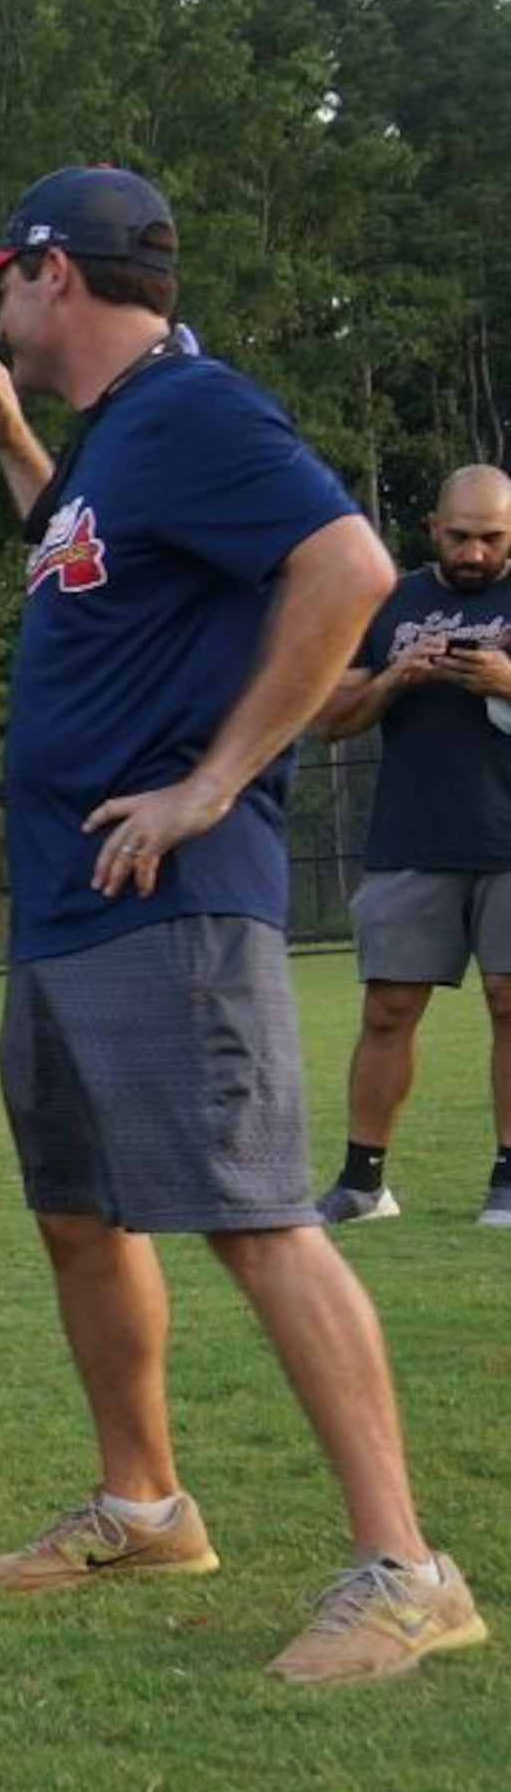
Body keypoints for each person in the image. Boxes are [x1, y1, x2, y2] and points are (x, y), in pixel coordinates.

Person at [0, 164, 483, 1684]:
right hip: (68, 901)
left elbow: (351, 569)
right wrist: (16, 451)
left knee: (253, 1216)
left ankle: (406, 1567)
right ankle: (145, 1503)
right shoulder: (118, 445)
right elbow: (115, 570)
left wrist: (214, 781)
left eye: (5, 277)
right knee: (81, 1216)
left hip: (174, 899)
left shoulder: (197, 409)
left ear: (55, 271)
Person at [306, 463, 511, 1228]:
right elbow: (327, 717)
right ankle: (364, 1184)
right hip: (413, 833)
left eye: (492, 538)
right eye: (459, 536)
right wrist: (395, 678)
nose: (474, 552)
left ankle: (508, 1179)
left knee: (509, 1000)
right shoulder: (390, 599)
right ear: (432, 529)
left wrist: (505, 678)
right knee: (389, 1008)